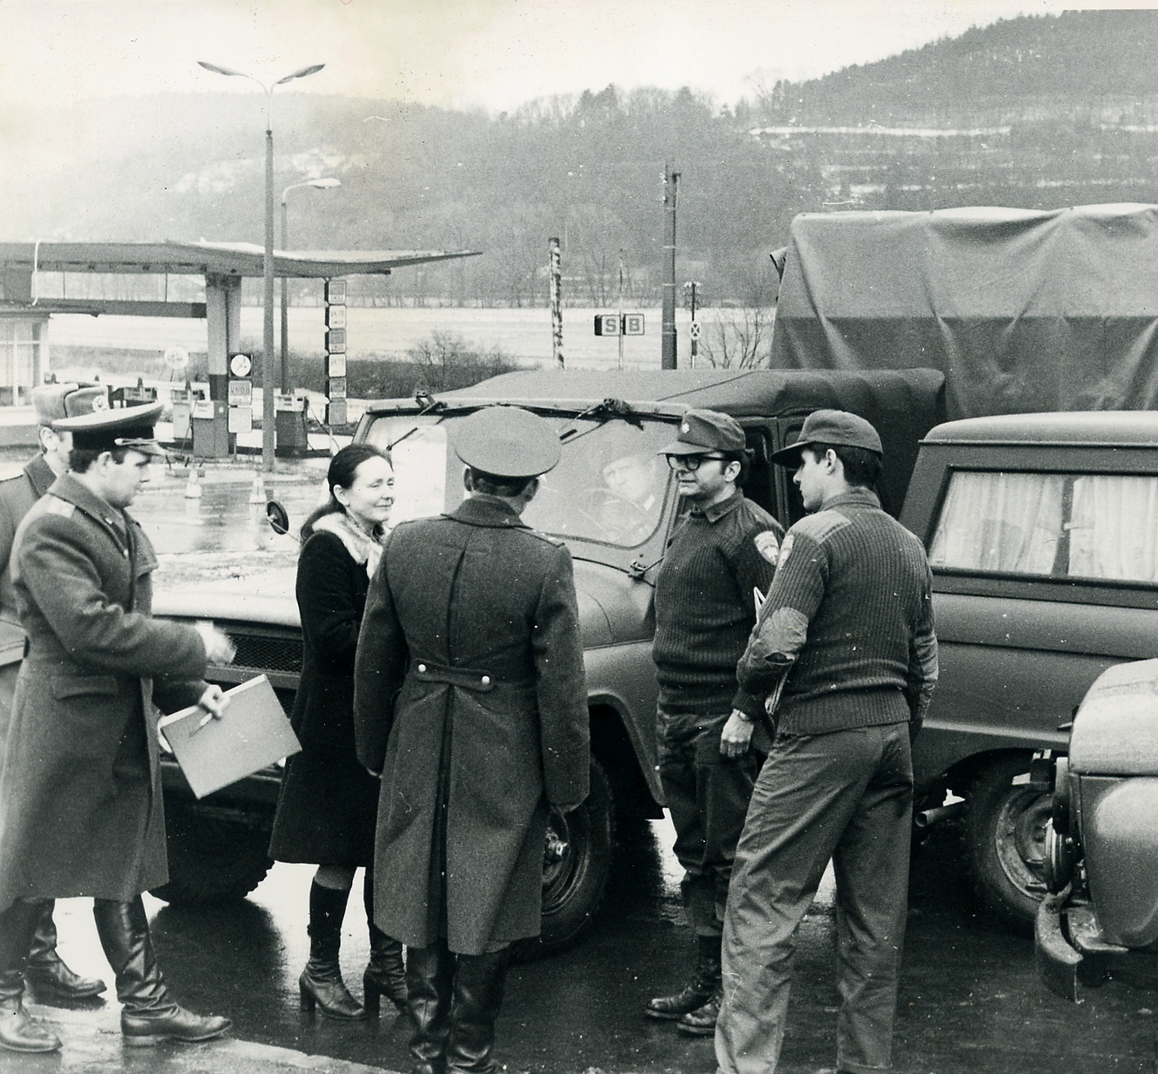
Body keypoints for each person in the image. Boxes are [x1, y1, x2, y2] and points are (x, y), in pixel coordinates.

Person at [355, 405, 590, 1074]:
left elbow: (374, 662)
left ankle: (428, 1053)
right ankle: (468, 1059)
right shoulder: (545, 561)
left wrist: (374, 750)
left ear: (466, 476)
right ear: (530, 489)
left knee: (420, 896)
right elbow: (562, 690)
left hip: (417, 740)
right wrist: (566, 786)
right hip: (503, 754)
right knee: (488, 902)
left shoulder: (405, 543)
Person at [0, 401, 236, 1053]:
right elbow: (92, 629)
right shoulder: (52, 527)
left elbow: (132, 622)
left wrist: (190, 689)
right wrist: (192, 646)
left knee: (122, 863)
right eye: (139, 463)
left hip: (114, 721)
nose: (148, 476)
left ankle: (146, 1005)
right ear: (103, 460)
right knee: (33, 867)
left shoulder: (113, 520)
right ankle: (2, 999)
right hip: (65, 727)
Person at [715, 409, 938, 1074]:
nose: (797, 479)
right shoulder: (909, 545)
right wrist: (896, 730)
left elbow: (777, 641)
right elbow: (926, 666)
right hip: (890, 738)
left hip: (818, 737)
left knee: (763, 903)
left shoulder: (813, 535)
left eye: (804, 464)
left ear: (832, 462)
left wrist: (747, 701)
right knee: (874, 924)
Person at [644, 408, 782, 1037]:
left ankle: (733, 992)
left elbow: (776, 634)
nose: (682, 468)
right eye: (678, 459)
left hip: (720, 720)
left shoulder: (753, 533)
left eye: (694, 461)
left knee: (730, 860)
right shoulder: (691, 523)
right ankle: (707, 976)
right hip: (677, 712)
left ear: (731, 469)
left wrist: (745, 712)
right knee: (695, 854)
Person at [268, 443, 403, 1020]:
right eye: (375, 484)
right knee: (340, 850)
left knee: (382, 849)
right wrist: (400, 644)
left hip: (374, 719)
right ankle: (320, 969)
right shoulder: (327, 547)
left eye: (391, 482)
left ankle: (386, 966)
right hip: (335, 723)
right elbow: (330, 637)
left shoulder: (380, 545)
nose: (387, 492)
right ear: (341, 493)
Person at [0, 384, 109, 1008]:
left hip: (69, 682)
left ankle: (34, 957)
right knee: (25, 821)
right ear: (47, 438)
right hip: (14, 677)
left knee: (49, 819)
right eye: (79, 435)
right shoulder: (11, 499)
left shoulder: (89, 497)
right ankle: (30, 960)